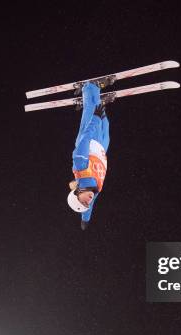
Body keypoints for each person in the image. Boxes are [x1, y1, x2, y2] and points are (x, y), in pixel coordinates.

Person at [67, 81, 112, 230]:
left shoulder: (80, 169)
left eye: (84, 201)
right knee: (106, 123)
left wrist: (94, 119)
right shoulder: (93, 190)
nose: (89, 201)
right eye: (87, 204)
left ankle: (89, 88)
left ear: (77, 193)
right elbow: (90, 205)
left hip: (90, 138)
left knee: (91, 111)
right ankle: (98, 100)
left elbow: (85, 139)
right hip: (102, 147)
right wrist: (85, 219)